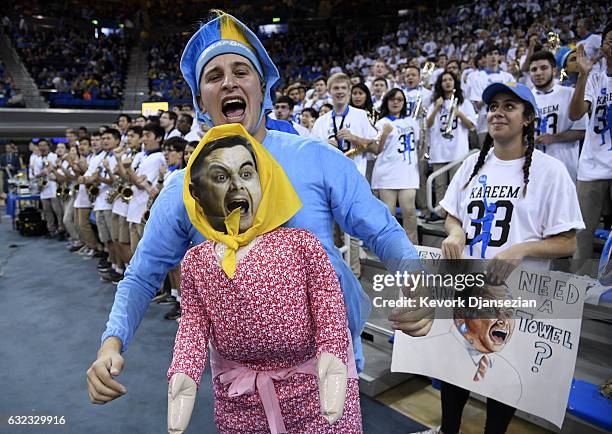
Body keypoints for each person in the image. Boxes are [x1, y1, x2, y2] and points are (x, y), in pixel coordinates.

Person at [88, 11, 428, 406]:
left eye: (240, 71)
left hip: (328, 373)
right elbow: (142, 275)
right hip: (241, 391)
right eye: (214, 76)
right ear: (201, 101)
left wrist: (416, 282)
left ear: (263, 87)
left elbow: (383, 230)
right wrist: (110, 344)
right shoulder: (184, 187)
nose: (228, 81)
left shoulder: (317, 157)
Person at [167, 124, 362, 433]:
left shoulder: (301, 245)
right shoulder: (196, 261)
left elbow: (330, 312)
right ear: (197, 191)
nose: (237, 186)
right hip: (240, 401)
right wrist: (183, 373)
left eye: (246, 174)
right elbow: (193, 326)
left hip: (314, 393)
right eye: (220, 177)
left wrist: (334, 361)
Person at [438, 82, 584, 434]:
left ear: (528, 118)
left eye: (509, 107)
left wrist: (523, 248)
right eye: (493, 106)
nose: (498, 112)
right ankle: (447, 430)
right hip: (468, 284)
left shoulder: (551, 172)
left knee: (504, 375)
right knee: (454, 367)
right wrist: (455, 232)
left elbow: (568, 243)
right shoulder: (474, 164)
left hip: (515, 295)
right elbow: (452, 214)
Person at [568, 24, 612, 275]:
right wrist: (582, 76)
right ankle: (576, 289)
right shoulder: (595, 76)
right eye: (609, 40)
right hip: (592, 166)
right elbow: (575, 113)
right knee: (582, 233)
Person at [528, 50, 587, 183]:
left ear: (554, 71)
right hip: (534, 168)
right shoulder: (524, 100)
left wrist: (554, 138)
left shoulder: (570, 94)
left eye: (543, 68)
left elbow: (582, 131)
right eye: (533, 69)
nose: (538, 73)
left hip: (565, 166)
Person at [372, 88, 420, 243]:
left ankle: (413, 248)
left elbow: (419, 145)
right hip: (386, 175)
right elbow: (376, 150)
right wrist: (385, 133)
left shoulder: (411, 122)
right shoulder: (381, 123)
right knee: (389, 216)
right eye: (392, 99)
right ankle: (391, 249)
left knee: (410, 212)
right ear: (387, 101)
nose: (396, 102)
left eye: (399, 99)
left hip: (407, 174)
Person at [426, 71, 476, 219]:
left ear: (455, 82)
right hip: (438, 150)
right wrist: (436, 108)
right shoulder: (435, 103)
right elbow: (428, 124)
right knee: (440, 185)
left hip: (457, 151)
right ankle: (440, 213)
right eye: (444, 80)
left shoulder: (464, 103)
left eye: (450, 79)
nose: (447, 82)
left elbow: (471, 126)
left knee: (458, 184)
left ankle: (457, 214)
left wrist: (459, 114)